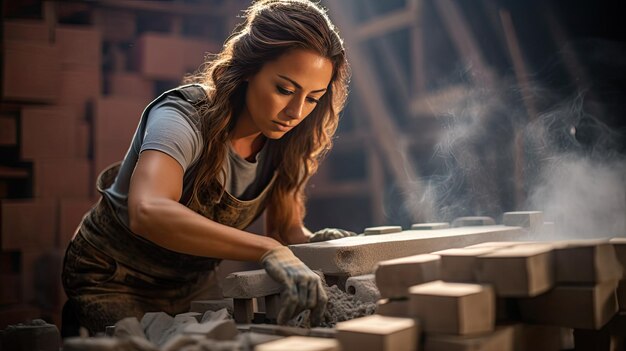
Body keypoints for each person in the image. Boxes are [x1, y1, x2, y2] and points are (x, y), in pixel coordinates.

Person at [61, 0, 354, 335]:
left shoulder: (287, 139)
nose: (296, 111)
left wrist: (316, 243)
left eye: (313, 98)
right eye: (284, 89)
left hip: (191, 285)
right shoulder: (181, 116)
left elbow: (285, 231)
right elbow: (148, 210)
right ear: (248, 71)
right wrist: (268, 250)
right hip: (113, 277)